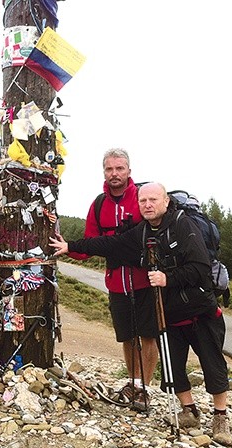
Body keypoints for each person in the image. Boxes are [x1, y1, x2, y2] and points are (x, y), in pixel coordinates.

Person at [50, 182, 232, 445]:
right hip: (168, 311)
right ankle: (189, 411)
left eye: (153, 200)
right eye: (143, 201)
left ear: (166, 202)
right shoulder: (143, 231)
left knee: (212, 362)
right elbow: (110, 244)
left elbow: (200, 268)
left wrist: (167, 278)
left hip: (200, 309)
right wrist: (72, 246)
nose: (147, 205)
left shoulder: (184, 226)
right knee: (173, 365)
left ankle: (220, 417)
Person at [67, 148, 158, 405]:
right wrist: (66, 247)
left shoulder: (142, 198)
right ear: (104, 172)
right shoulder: (99, 204)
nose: (114, 173)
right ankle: (133, 382)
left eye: (120, 168)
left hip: (145, 279)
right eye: (110, 169)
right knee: (128, 336)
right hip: (116, 281)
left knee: (148, 335)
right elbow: (88, 245)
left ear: (129, 171)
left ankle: (145, 389)